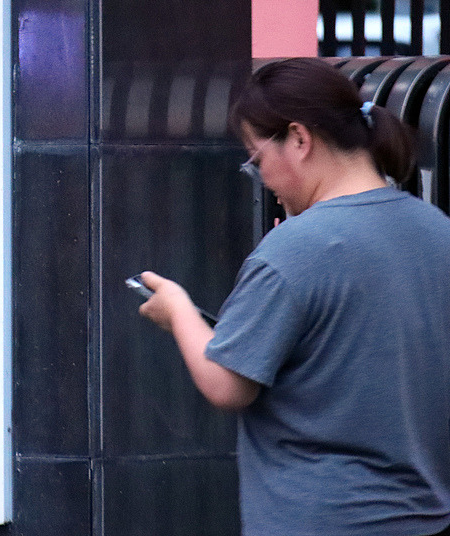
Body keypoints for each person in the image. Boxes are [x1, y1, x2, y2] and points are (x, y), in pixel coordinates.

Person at [137, 58, 450, 535]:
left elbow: (227, 384)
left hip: (319, 518)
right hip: (426, 516)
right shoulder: (437, 230)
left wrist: (178, 310)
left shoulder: (295, 248)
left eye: (257, 159)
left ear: (300, 139)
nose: (263, 179)